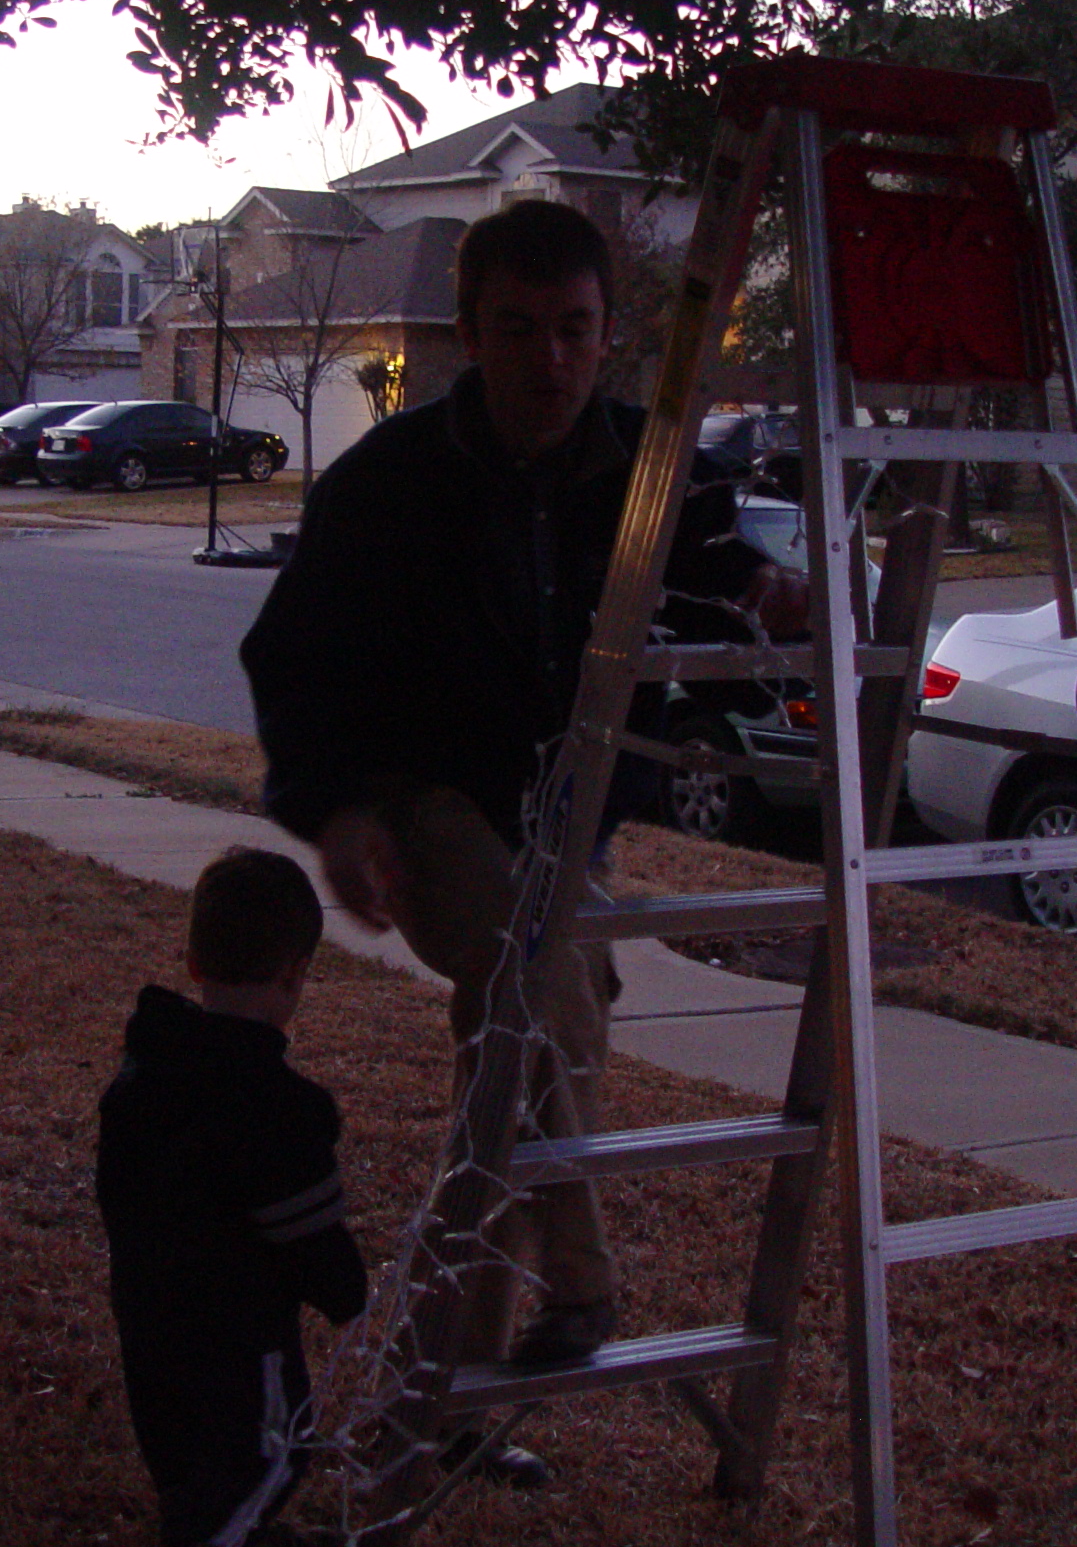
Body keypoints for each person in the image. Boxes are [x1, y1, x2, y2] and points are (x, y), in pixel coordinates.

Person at [240, 200, 803, 1445]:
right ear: (466, 333)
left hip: (571, 823)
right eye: (517, 330)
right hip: (423, 807)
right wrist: (332, 815)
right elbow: (292, 660)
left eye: (574, 330)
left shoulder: (658, 472)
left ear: (608, 335)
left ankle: (454, 1403)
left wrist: (770, 595)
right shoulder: (385, 485)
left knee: (527, 1051)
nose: (549, 359)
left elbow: (718, 592)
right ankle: (588, 1278)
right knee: (535, 975)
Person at [94, 846, 368, 1547]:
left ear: (191, 958)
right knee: (275, 1445)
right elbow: (309, 1238)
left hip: (148, 1305)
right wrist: (348, 1290)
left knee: (180, 1435)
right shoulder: (280, 1108)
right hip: (240, 1327)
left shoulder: (146, 1070)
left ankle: (222, 1527)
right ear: (294, 976)